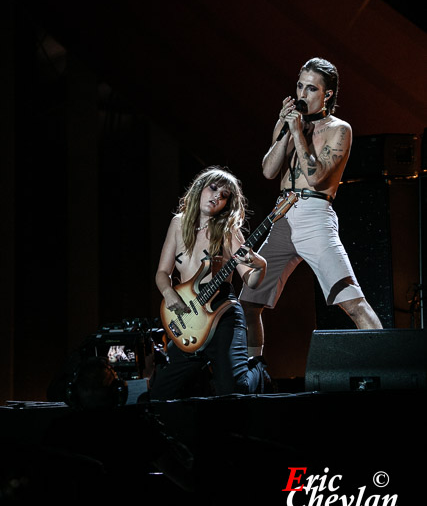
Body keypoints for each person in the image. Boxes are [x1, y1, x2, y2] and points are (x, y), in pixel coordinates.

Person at [239, 57, 382, 357]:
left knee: (352, 301)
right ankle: (252, 373)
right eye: (299, 87)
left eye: (311, 89)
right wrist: (284, 129)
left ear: (327, 94)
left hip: (315, 215)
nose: (303, 95)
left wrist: (296, 134)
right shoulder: (291, 122)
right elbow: (268, 171)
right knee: (249, 302)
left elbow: (316, 178)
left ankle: (385, 369)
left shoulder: (339, 129)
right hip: (282, 216)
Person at [149, 166, 268, 400]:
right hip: (189, 318)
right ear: (199, 189)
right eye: (213, 188)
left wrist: (260, 264)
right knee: (160, 395)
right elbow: (162, 272)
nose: (216, 197)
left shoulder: (228, 230)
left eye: (223, 196)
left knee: (233, 392)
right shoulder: (178, 223)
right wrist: (169, 294)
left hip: (222, 312)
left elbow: (251, 281)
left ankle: (259, 370)